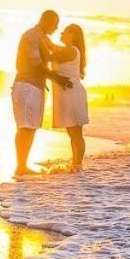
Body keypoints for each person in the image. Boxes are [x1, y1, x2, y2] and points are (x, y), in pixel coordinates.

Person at [11, 10, 74, 177]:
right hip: (26, 86)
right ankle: (21, 167)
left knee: (30, 127)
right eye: (55, 24)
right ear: (47, 21)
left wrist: (74, 50)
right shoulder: (31, 36)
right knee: (25, 127)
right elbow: (37, 63)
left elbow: (55, 52)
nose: (56, 28)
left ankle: (22, 166)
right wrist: (57, 78)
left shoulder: (43, 38)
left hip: (35, 86)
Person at [51, 24, 90, 171]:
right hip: (71, 93)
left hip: (71, 94)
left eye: (65, 31)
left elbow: (49, 55)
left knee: (75, 133)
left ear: (72, 35)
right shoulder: (68, 50)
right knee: (74, 133)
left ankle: (77, 166)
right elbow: (53, 49)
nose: (61, 33)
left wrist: (43, 40)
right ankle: (77, 166)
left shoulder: (70, 50)